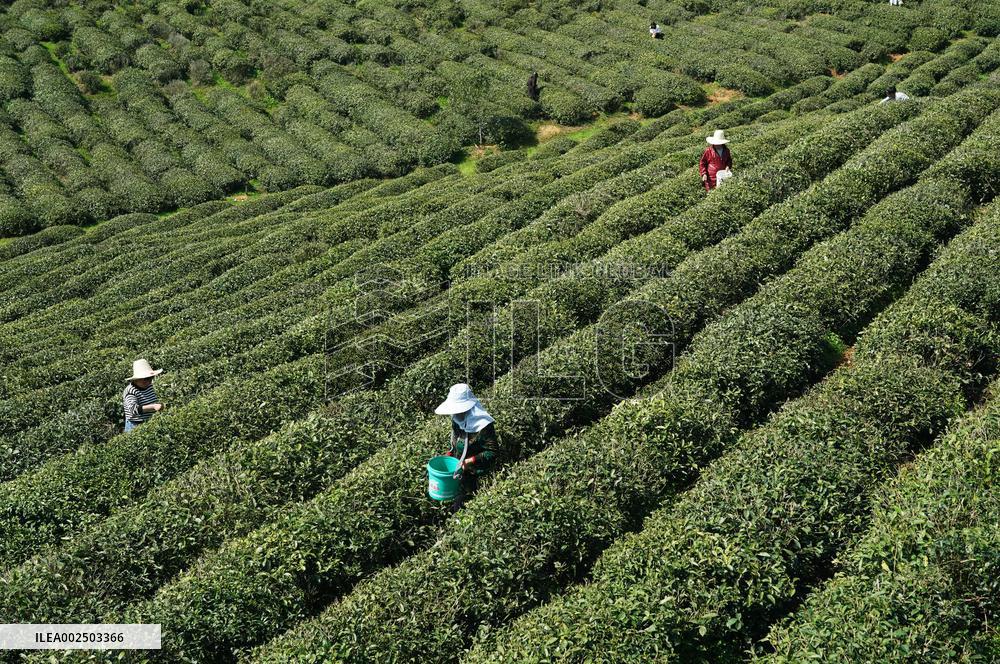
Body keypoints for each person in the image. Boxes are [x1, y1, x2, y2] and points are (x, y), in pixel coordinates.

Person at [435, 383, 500, 512]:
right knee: (457, 496)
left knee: (469, 499)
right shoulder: (457, 419)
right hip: (460, 467)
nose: (455, 413)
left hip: (477, 471)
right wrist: (451, 453)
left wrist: (469, 462)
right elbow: (457, 439)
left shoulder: (483, 426)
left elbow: (492, 452)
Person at [123, 359, 165, 432]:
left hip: (149, 421)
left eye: (150, 378)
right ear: (136, 380)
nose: (149, 381)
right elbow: (134, 409)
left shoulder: (149, 386)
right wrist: (153, 406)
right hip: (135, 425)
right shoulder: (130, 391)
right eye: (145, 379)